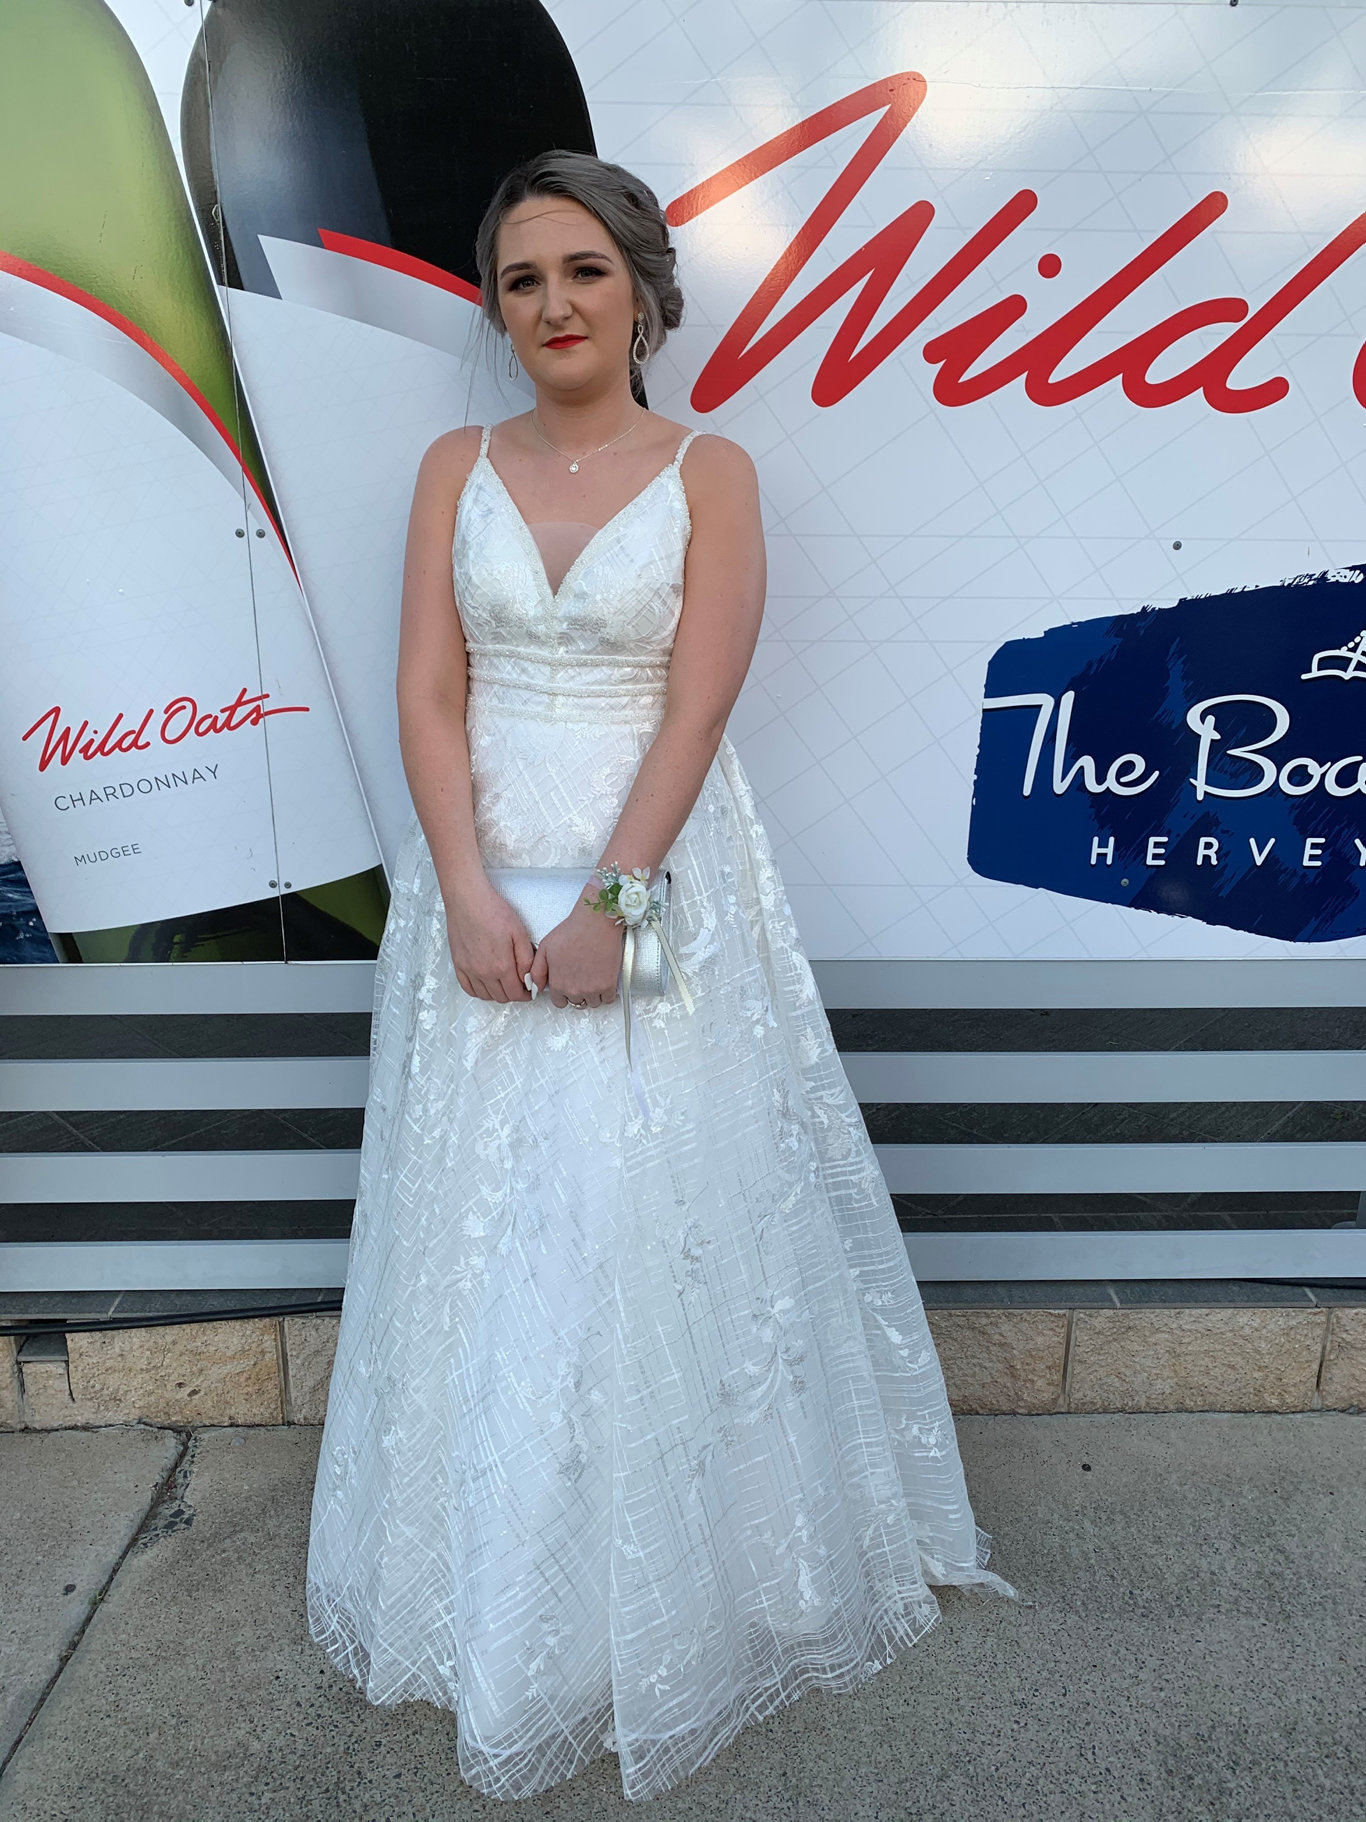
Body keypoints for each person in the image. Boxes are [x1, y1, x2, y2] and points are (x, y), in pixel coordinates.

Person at [306, 148, 1016, 1804]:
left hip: (662, 880)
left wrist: (619, 901)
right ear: (500, 310)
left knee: (649, 1215)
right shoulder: (448, 466)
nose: (551, 304)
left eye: (581, 272)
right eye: (521, 280)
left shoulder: (712, 470)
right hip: (479, 878)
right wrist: (470, 896)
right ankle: (500, 1587)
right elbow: (426, 693)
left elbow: (695, 709)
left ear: (641, 289)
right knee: (498, 1226)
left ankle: (679, 1591)